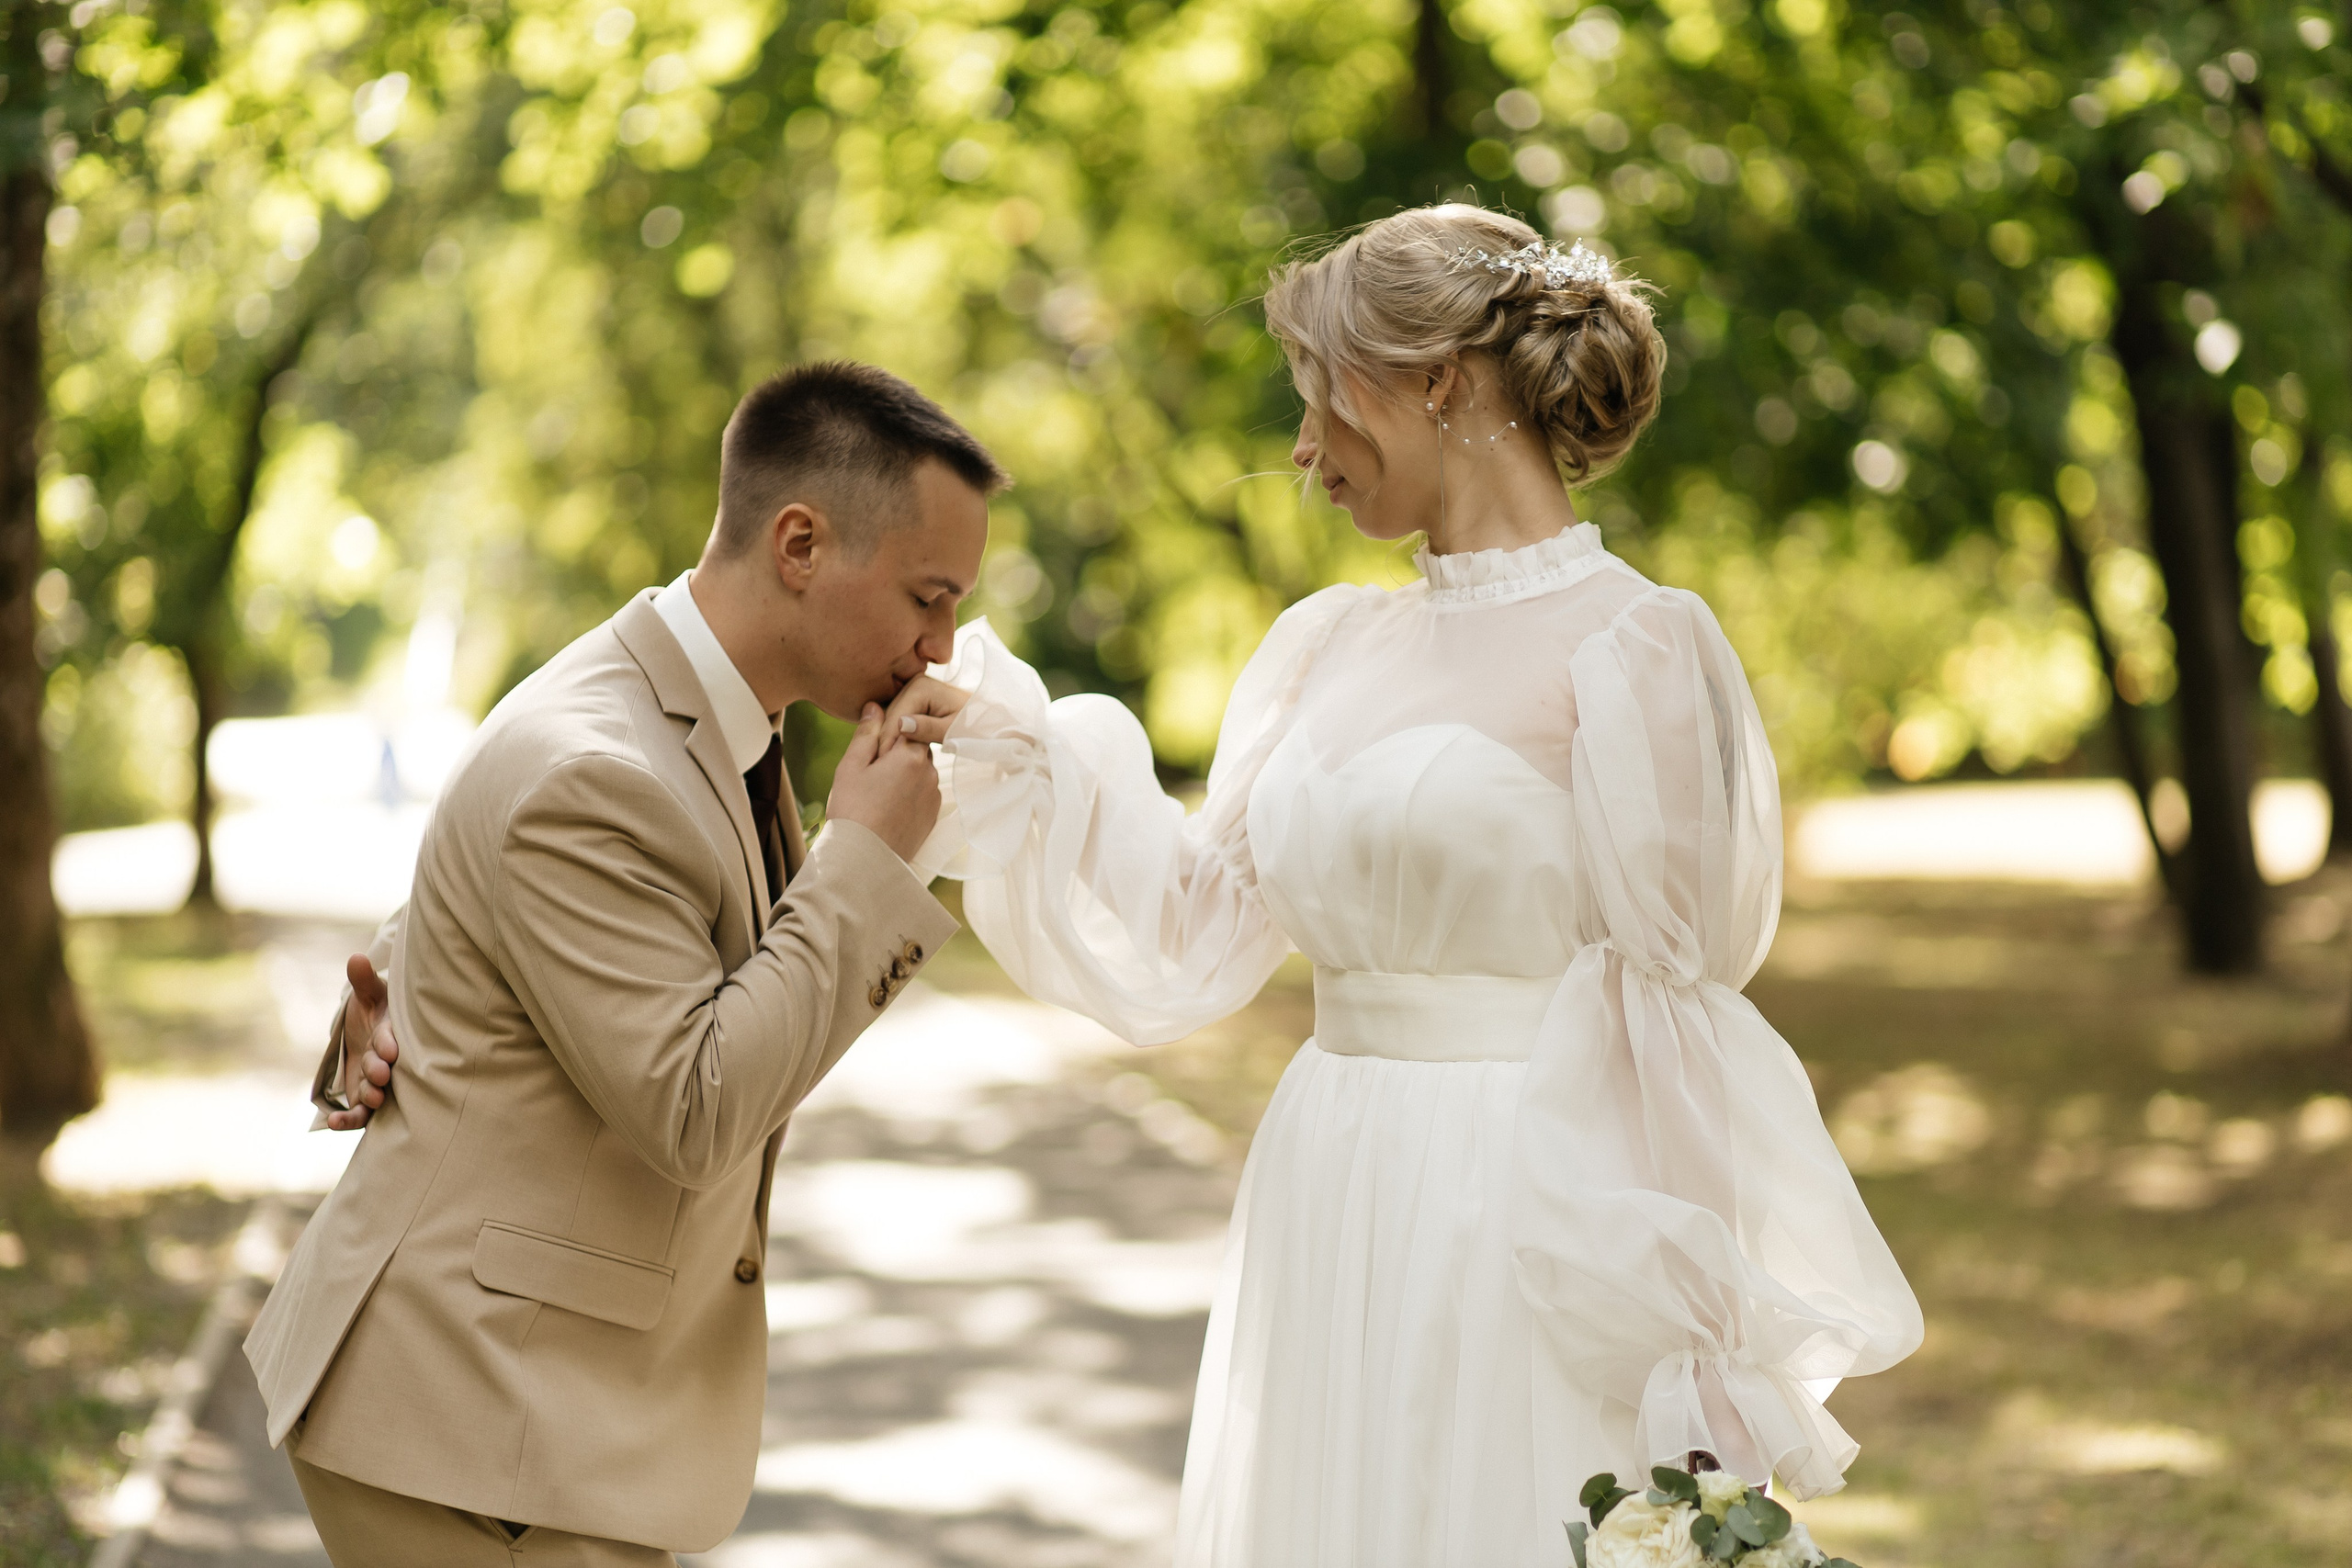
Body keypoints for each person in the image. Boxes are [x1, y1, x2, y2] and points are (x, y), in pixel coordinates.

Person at [907, 204, 1925, 1565]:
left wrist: (1702, 1358)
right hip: (1329, 1187)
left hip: (1523, 1209)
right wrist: (1018, 749)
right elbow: (1200, 917)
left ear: (1437, 378)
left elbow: (1676, 1020)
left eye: (1322, 398)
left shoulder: (1636, 651)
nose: (1304, 447)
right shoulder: (1328, 648)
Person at [246, 361, 1005, 1566]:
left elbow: (464, 941)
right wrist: (865, 861)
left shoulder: (693, 722)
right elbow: (696, 1109)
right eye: (929, 595)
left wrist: (393, 1012)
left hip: (553, 1432)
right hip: (470, 1431)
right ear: (800, 544)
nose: (943, 644)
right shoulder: (597, 760)